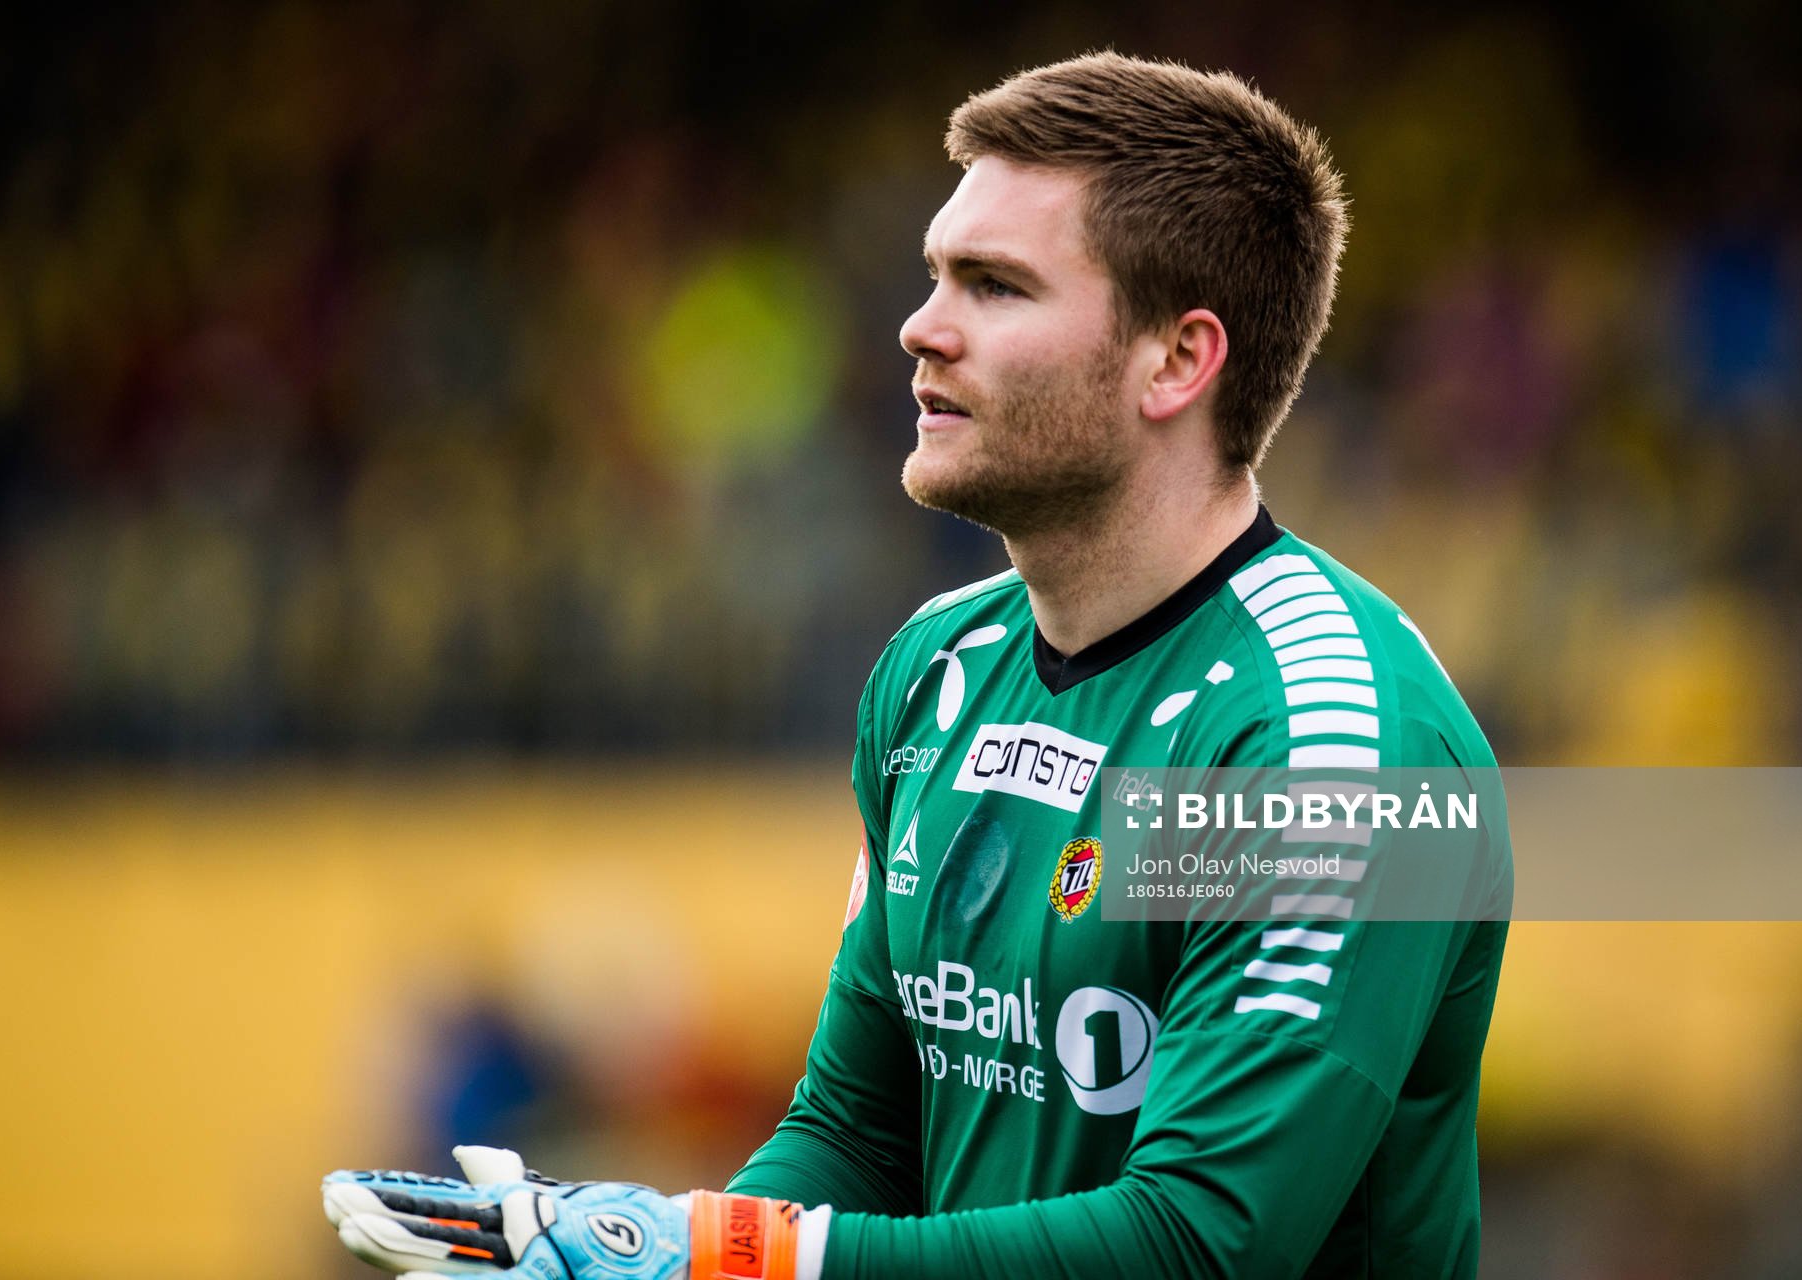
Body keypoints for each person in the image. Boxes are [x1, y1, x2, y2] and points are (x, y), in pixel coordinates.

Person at [323, 51, 1510, 1280]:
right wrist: (670, 1261)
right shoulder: (939, 669)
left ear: (1177, 360)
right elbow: (857, 1129)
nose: (920, 326)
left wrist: (721, 1257)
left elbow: (1202, 1243)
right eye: (936, 272)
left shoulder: (1335, 745)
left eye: (994, 286)